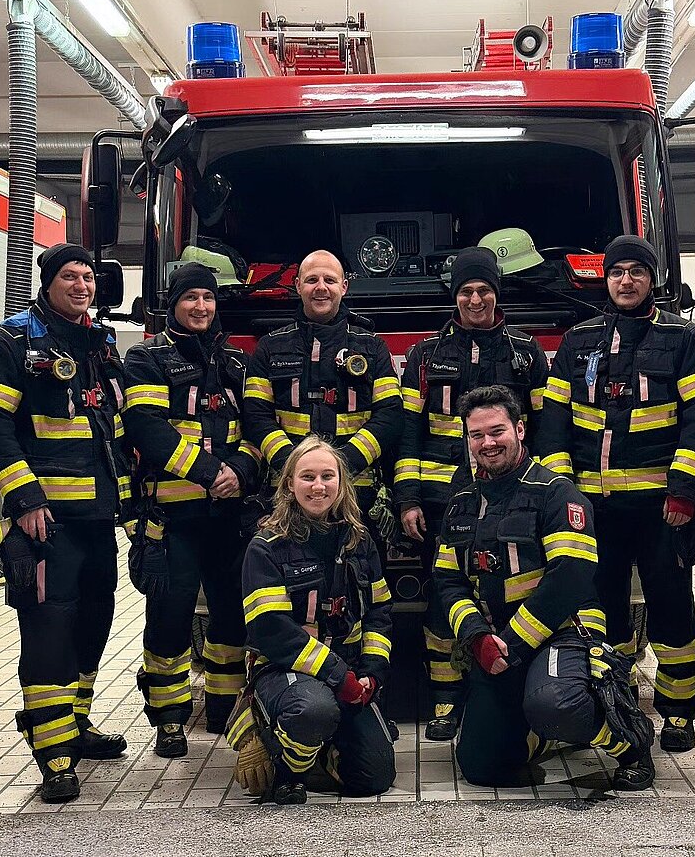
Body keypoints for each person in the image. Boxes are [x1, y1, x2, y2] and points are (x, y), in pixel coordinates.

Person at [538, 235, 695, 753]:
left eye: (636, 272)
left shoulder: (682, 338)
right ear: (606, 279)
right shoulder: (579, 341)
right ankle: (615, 700)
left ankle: (679, 712)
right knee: (603, 610)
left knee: (671, 607)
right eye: (617, 272)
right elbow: (554, 422)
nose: (626, 281)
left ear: (651, 279)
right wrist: (561, 492)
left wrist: (684, 491)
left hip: (660, 508)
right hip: (593, 509)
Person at [0, 243, 130, 803]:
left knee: (94, 622)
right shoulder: (11, 342)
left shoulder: (99, 343)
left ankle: (75, 724)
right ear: (48, 282)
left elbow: (113, 431)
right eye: (70, 277)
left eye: (88, 277)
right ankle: (54, 755)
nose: (82, 286)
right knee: (49, 633)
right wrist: (25, 499)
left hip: (97, 521)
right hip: (46, 525)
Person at [434, 385, 655, 790]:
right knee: (482, 766)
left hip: (563, 630)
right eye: (476, 435)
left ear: (519, 429)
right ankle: (545, 727)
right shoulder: (462, 499)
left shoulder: (555, 492)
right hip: (496, 641)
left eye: (497, 431)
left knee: (555, 703)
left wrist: (510, 645)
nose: (487, 443)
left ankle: (629, 741)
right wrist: (477, 636)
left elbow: (570, 577)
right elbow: (448, 579)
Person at [396, 246, 549, 741]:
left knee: (514, 591)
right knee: (444, 598)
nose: (475, 299)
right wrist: (409, 498)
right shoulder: (424, 355)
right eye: (466, 291)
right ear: (454, 295)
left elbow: (545, 428)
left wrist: (546, 492)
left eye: (484, 290)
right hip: (443, 503)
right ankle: (446, 700)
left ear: (496, 293)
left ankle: (510, 685)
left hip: (513, 500)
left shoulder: (526, 353)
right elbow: (408, 432)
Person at [122, 262, 262, 758]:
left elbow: (256, 429)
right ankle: (169, 718)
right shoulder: (146, 358)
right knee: (170, 617)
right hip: (172, 520)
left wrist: (240, 472)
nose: (200, 307)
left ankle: (224, 707)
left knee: (232, 614)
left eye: (208, 298)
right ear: (173, 304)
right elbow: (148, 429)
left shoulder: (237, 363)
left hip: (229, 518)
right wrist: (210, 473)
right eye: (190, 298)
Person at [227, 436, 396, 804]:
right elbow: (271, 630)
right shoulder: (266, 547)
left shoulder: (359, 540)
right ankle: (279, 760)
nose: (318, 486)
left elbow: (379, 612)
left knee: (374, 777)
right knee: (313, 710)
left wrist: (371, 672)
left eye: (327, 476)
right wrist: (339, 676)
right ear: (290, 484)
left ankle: (313, 746)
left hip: (348, 671)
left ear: (341, 482)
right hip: (283, 669)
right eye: (307, 477)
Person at [243, 249, 402, 529]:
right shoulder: (269, 347)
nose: (320, 288)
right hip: (286, 493)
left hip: (356, 491)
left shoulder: (372, 347)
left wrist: (341, 468)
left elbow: (390, 416)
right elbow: (256, 417)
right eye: (311, 280)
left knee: (356, 557)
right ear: (297, 286)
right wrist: (294, 469)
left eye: (329, 280)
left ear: (344, 286)